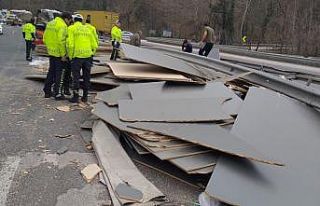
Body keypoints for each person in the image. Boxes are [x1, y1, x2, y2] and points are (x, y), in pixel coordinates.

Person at [67, 15, 98, 103]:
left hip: (77, 57)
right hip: (88, 56)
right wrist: (92, 54)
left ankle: (75, 97)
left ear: (74, 20)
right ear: (81, 21)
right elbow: (94, 44)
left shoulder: (71, 28)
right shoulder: (87, 29)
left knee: (76, 77)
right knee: (86, 77)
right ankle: (85, 96)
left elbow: (70, 44)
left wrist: (70, 56)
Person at [43, 12, 73, 100]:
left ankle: (47, 91)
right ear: (66, 19)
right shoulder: (62, 26)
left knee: (51, 72)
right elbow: (61, 41)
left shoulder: (50, 23)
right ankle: (58, 93)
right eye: (69, 20)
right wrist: (63, 54)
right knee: (60, 74)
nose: (69, 23)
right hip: (59, 54)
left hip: (51, 52)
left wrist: (50, 47)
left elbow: (45, 38)